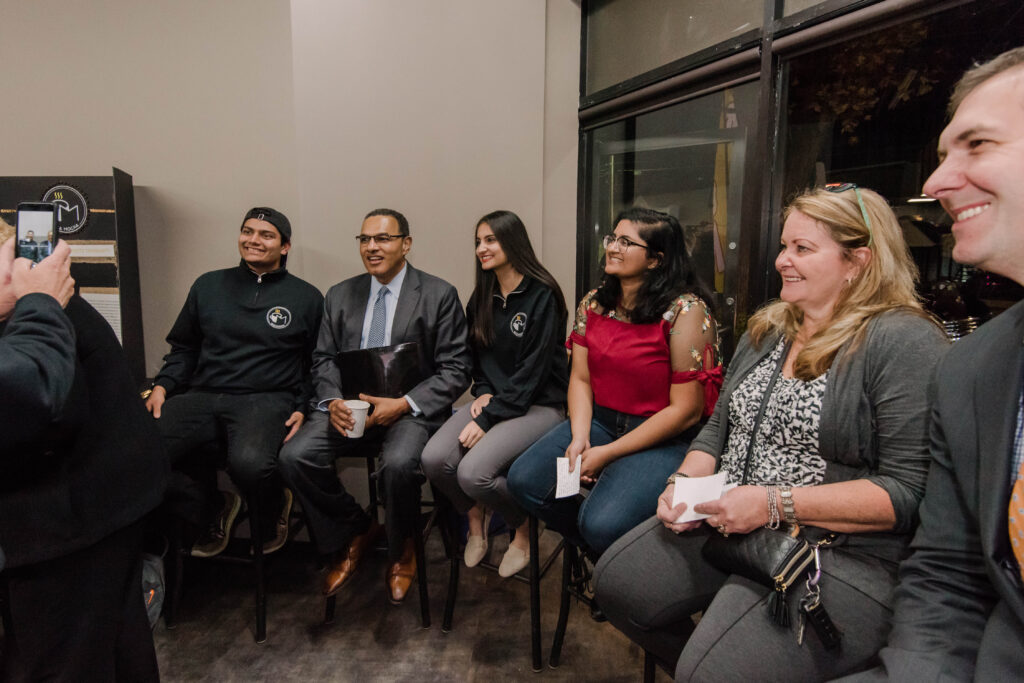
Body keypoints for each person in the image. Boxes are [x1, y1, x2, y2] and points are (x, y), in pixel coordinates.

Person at [592, 187, 948, 680]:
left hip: (835, 552)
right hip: (734, 521)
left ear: (858, 261)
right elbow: (720, 425)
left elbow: (908, 493)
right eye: (785, 247)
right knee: (615, 585)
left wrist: (772, 503)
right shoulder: (772, 327)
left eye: (803, 249)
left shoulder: (901, 340)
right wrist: (683, 480)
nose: (783, 260)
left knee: (710, 671)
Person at [845, 47, 1024, 681]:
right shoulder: (975, 367)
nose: (936, 183)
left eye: (977, 144)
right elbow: (951, 574)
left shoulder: (911, 342)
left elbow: (900, 492)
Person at [279, 208, 471, 604]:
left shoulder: (438, 294)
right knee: (295, 455)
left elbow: (457, 369)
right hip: (348, 407)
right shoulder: (340, 294)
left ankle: (402, 548)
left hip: (408, 409)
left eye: (382, 238)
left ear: (406, 243)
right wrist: (332, 401)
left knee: (399, 465)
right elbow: (323, 358)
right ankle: (357, 529)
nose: (372, 247)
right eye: (364, 239)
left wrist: (404, 403)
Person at [0, 228, 168, 681]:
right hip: (87, 512)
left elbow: (39, 399)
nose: (21, 269)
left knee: (75, 657)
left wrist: (35, 305)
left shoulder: (38, 315)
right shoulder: (36, 312)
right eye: (9, 258)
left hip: (77, 520)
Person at [508, 207, 722, 558]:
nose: (612, 247)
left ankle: (610, 560)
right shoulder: (594, 303)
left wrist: (606, 455)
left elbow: (686, 411)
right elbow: (579, 378)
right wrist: (580, 437)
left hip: (661, 437)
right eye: (612, 238)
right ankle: (601, 557)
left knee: (601, 523)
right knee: (524, 481)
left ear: (655, 260)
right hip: (600, 423)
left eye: (626, 242)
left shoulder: (686, 310)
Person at [145, 206, 323, 557]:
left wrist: (303, 406)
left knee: (251, 465)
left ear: (285, 247)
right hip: (204, 393)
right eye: (248, 231)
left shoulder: (307, 297)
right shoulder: (208, 285)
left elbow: (315, 362)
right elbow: (184, 347)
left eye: (266, 235)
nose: (253, 240)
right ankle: (214, 505)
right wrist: (163, 386)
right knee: (139, 451)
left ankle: (274, 506)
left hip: (266, 398)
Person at [421, 210, 568, 577]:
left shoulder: (542, 294)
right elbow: (476, 356)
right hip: (498, 402)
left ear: (512, 241)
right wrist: (483, 393)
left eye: (490, 240)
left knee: (472, 473)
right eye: (478, 242)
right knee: (435, 459)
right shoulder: (484, 294)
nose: (481, 249)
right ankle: (476, 517)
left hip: (539, 405)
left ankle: (522, 528)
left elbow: (532, 374)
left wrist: (488, 417)